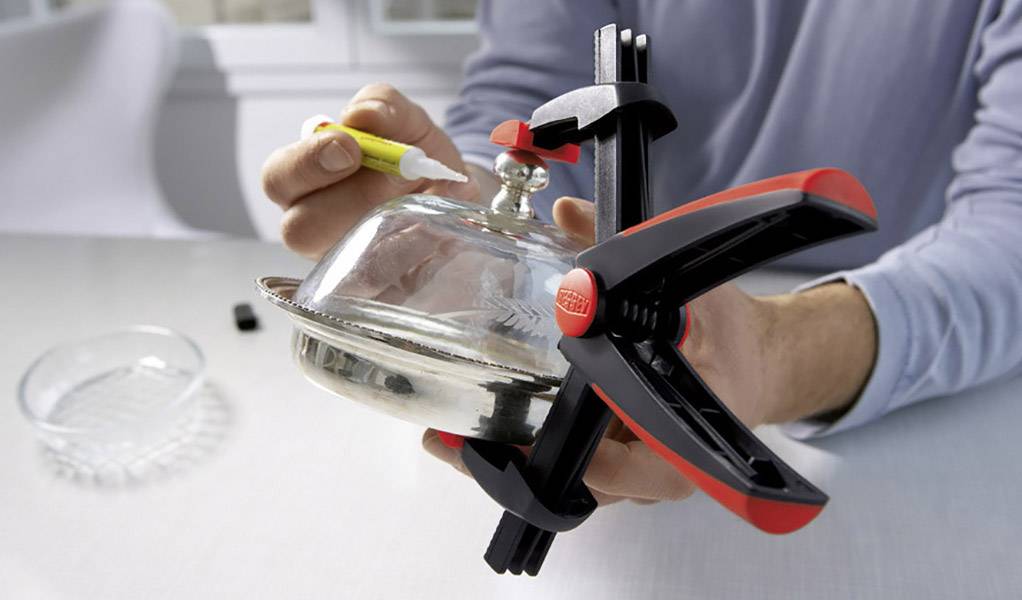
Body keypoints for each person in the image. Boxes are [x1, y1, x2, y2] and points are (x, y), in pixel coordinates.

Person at [260, 2, 1022, 505]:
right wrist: (476, 224)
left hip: (918, 393)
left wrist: (782, 353)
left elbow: (1012, 222)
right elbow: (528, 95)